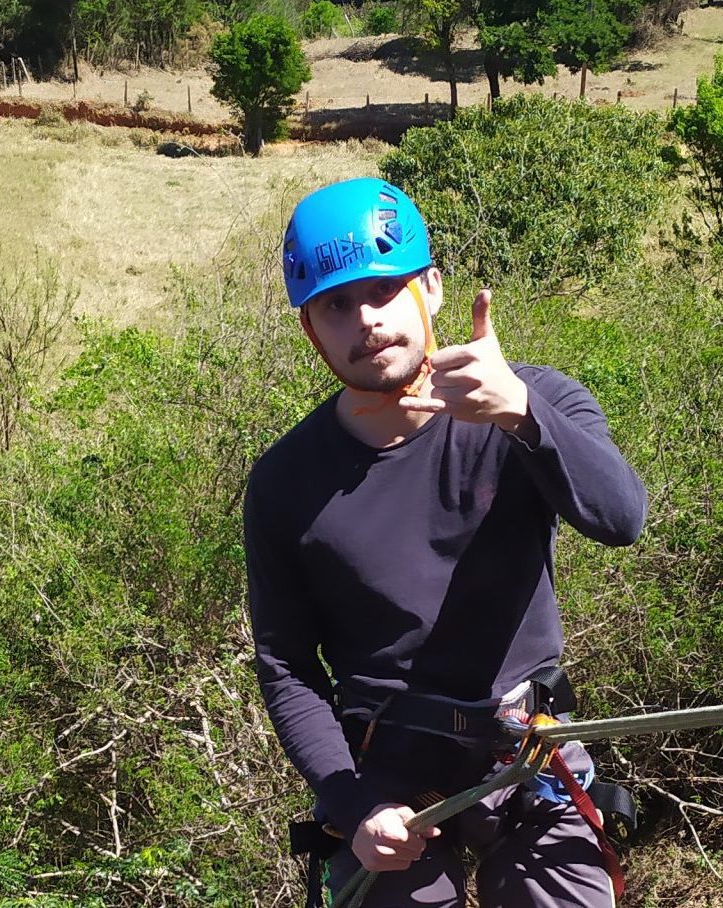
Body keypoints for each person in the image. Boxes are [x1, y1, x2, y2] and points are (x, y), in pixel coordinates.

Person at [244, 177, 647, 908]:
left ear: (430, 286)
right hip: (383, 771)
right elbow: (288, 667)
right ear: (311, 329)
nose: (365, 319)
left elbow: (619, 518)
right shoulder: (284, 482)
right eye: (336, 304)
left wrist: (522, 416)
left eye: (383, 288)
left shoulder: (539, 400)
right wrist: (350, 804)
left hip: (526, 748)